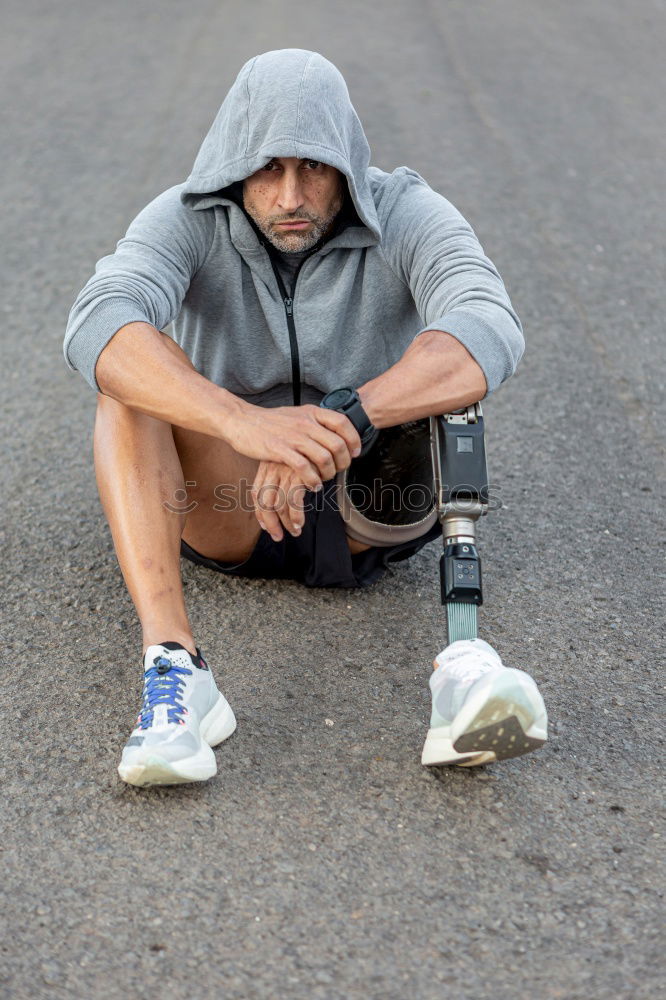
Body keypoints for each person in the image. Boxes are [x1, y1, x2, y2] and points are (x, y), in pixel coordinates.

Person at [64, 48, 547, 786]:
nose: (291, 194)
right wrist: (241, 423)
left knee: (452, 373)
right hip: (233, 503)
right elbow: (97, 320)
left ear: (347, 163)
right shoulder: (187, 217)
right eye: (268, 168)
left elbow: (491, 321)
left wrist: (348, 416)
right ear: (234, 164)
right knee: (129, 379)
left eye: (314, 167)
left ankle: (463, 668)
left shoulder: (407, 210)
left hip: (370, 499)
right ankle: (175, 669)